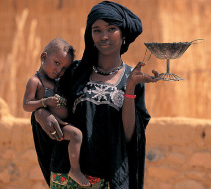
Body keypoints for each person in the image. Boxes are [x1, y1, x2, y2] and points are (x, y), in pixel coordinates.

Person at [32, 1, 159, 188]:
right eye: (97, 30)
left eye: (111, 28)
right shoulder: (75, 71)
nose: (104, 36)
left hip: (107, 178)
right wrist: (39, 113)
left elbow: (130, 135)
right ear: (90, 35)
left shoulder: (132, 78)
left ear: (123, 34)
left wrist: (130, 87)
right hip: (67, 176)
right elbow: (48, 100)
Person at [23, 38, 91, 186]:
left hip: (63, 123)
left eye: (64, 68)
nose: (59, 71)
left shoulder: (59, 82)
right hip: (54, 127)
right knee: (76, 135)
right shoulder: (35, 82)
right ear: (44, 57)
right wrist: (44, 103)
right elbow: (27, 105)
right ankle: (75, 170)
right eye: (57, 63)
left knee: (77, 135)